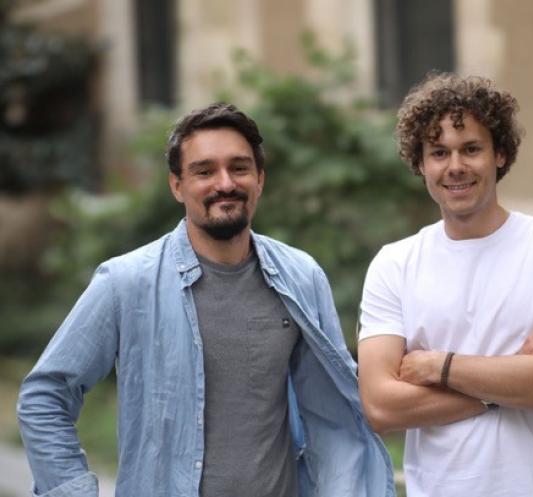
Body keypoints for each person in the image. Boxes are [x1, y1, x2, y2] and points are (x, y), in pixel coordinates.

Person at [17, 103, 395, 497]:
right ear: (177, 185)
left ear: (260, 179)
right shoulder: (127, 281)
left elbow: (333, 415)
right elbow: (45, 397)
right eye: (204, 171)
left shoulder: (302, 276)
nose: (225, 183)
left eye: (239, 167)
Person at [357, 73, 533, 497]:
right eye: (439, 152)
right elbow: (380, 406)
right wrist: (510, 380)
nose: (455, 167)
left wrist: (440, 367)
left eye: (471, 148)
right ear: (421, 163)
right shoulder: (394, 264)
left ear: (500, 153)